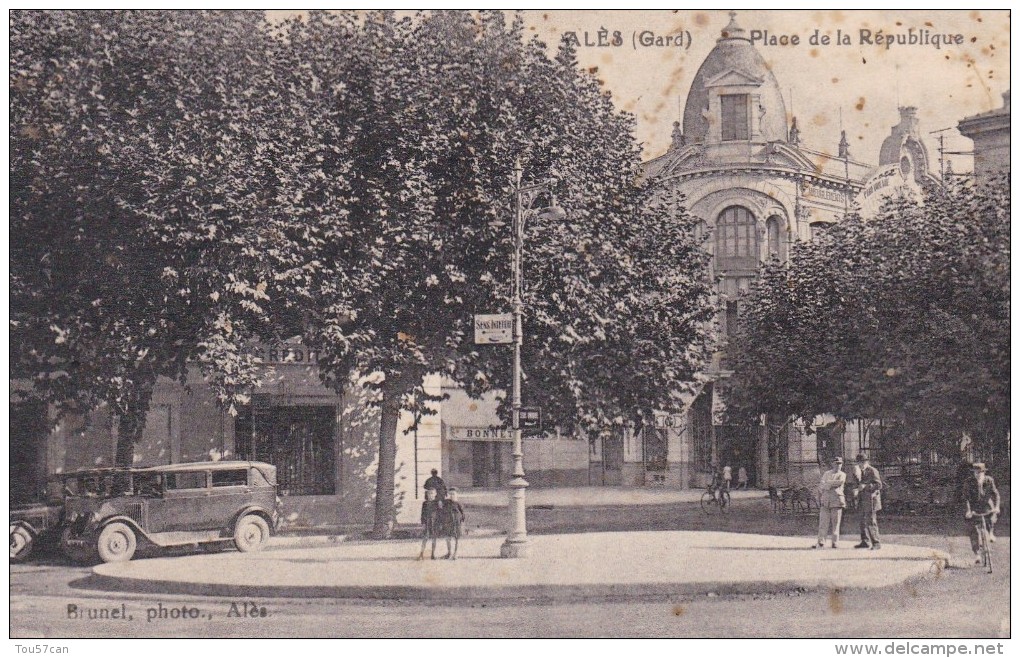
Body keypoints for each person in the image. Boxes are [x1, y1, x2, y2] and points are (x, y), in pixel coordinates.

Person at [963, 462, 1000, 564]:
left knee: (992, 515)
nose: (977, 474)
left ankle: (991, 532)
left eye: (980, 472)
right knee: (974, 530)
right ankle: (977, 554)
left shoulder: (989, 480)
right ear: (973, 473)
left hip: (987, 506)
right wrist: (968, 511)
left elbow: (996, 495)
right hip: (974, 507)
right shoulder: (969, 482)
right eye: (975, 472)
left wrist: (997, 507)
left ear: (984, 472)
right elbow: (965, 498)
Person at [815, 456, 847, 549]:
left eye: (840, 463)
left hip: (837, 501)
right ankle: (821, 541)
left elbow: (839, 483)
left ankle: (835, 542)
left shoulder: (842, 474)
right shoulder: (826, 473)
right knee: (823, 522)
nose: (838, 465)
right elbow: (821, 485)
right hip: (826, 500)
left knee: (836, 523)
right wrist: (830, 484)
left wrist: (828, 484)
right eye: (836, 463)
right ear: (832, 464)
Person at [853, 453, 883, 550]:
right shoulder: (858, 471)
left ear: (866, 462)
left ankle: (876, 543)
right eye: (859, 463)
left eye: (862, 462)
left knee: (871, 521)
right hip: (862, 499)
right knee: (862, 520)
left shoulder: (872, 471)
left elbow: (879, 485)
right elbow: (857, 484)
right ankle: (864, 541)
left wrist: (865, 486)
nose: (860, 464)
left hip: (871, 499)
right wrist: (856, 490)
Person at [441, 487, 466, 560]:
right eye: (450, 494)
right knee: (448, 538)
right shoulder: (446, 503)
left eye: (453, 494)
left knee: (456, 538)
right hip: (448, 523)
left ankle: (456, 553)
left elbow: (463, 514)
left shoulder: (459, 504)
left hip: (456, 524)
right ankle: (449, 552)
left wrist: (460, 522)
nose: (452, 495)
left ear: (457, 495)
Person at [417, 488, 441, 560]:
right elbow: (422, 513)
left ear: (435, 494)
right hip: (427, 522)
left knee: (434, 539)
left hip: (434, 523)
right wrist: (423, 523)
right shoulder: (425, 503)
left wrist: (439, 523)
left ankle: (433, 554)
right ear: (427, 494)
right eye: (429, 493)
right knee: (425, 538)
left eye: (432, 493)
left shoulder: (437, 503)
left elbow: (440, 514)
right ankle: (421, 554)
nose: (430, 495)